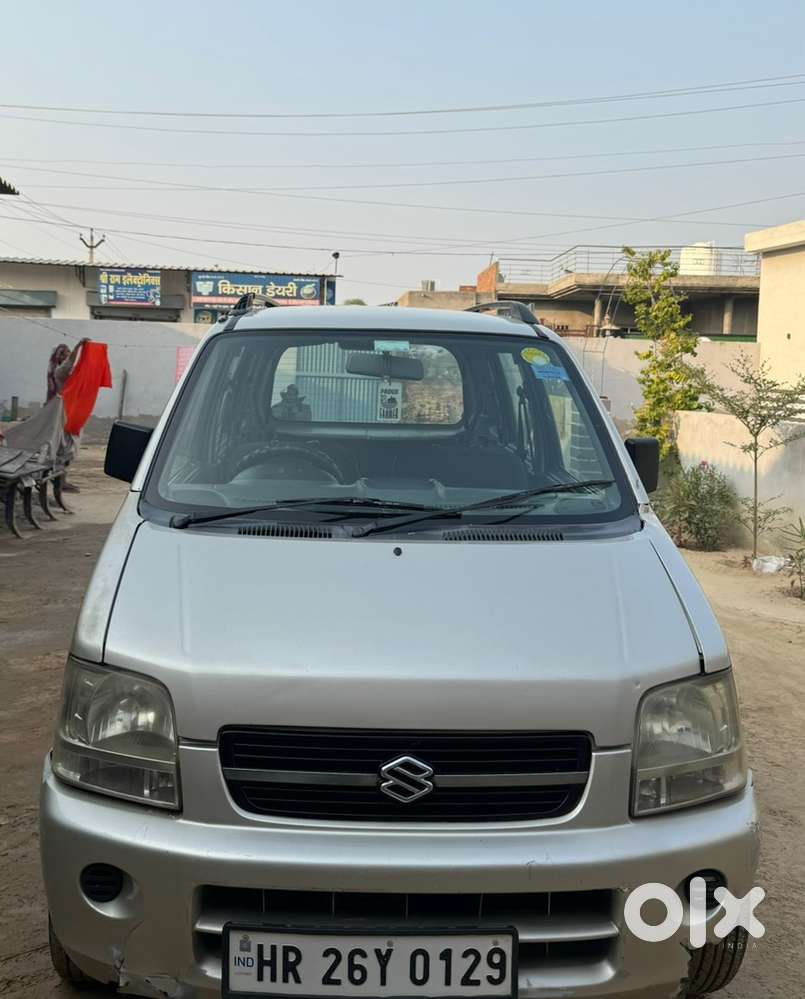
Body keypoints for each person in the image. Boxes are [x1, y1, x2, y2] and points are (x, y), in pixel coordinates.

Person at [46, 339, 88, 491]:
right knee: (62, 447)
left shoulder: (68, 373)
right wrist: (79, 347)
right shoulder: (60, 372)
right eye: (63, 354)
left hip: (71, 412)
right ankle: (59, 481)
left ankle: (61, 480)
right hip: (62, 414)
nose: (67, 356)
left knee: (69, 447)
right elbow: (69, 363)